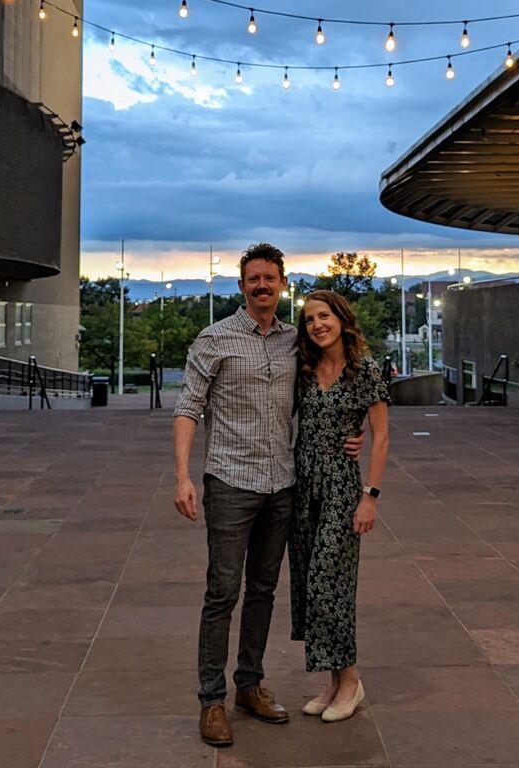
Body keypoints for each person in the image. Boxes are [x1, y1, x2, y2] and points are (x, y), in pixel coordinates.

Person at [173, 244, 362, 748]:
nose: (262, 286)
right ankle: (211, 700)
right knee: (222, 592)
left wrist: (354, 432)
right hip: (230, 483)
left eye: (270, 278)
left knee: (263, 592)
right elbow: (188, 407)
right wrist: (182, 476)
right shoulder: (213, 340)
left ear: (281, 284)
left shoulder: (295, 342)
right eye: (253, 279)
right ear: (241, 286)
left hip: (283, 485)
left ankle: (248, 687)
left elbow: (336, 383)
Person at [289, 290, 389, 723]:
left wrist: (370, 496)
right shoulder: (305, 369)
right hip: (302, 486)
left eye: (323, 316)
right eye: (309, 319)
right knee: (311, 587)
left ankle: (351, 681)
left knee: (330, 582)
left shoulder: (364, 370)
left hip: (341, 489)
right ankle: (333, 681)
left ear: (341, 318)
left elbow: (381, 435)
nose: (317, 325)